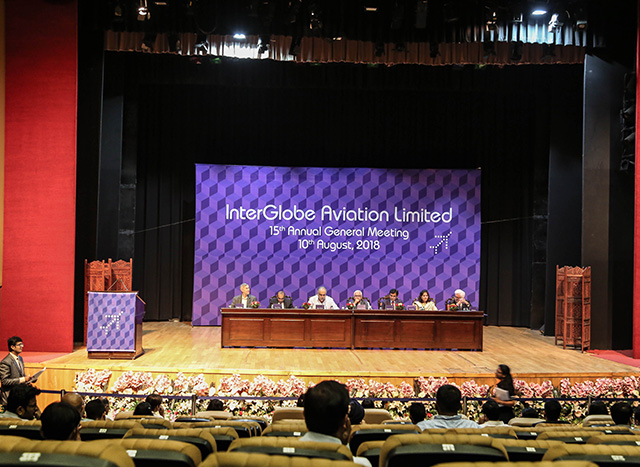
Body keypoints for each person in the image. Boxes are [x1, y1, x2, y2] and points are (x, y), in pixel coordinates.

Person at [300, 380, 371, 467]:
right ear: (345, 421)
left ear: (304, 415)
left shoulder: (284, 459)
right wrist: (345, 445)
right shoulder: (362, 465)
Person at [0, 336, 32, 407]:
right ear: (12, 347)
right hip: (9, 399)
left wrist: (30, 379)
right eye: (19, 345)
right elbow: (5, 381)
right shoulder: (5, 362)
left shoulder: (20, 358)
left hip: (19, 396)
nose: (22, 346)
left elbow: (21, 376)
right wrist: (23, 379)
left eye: (22, 344)